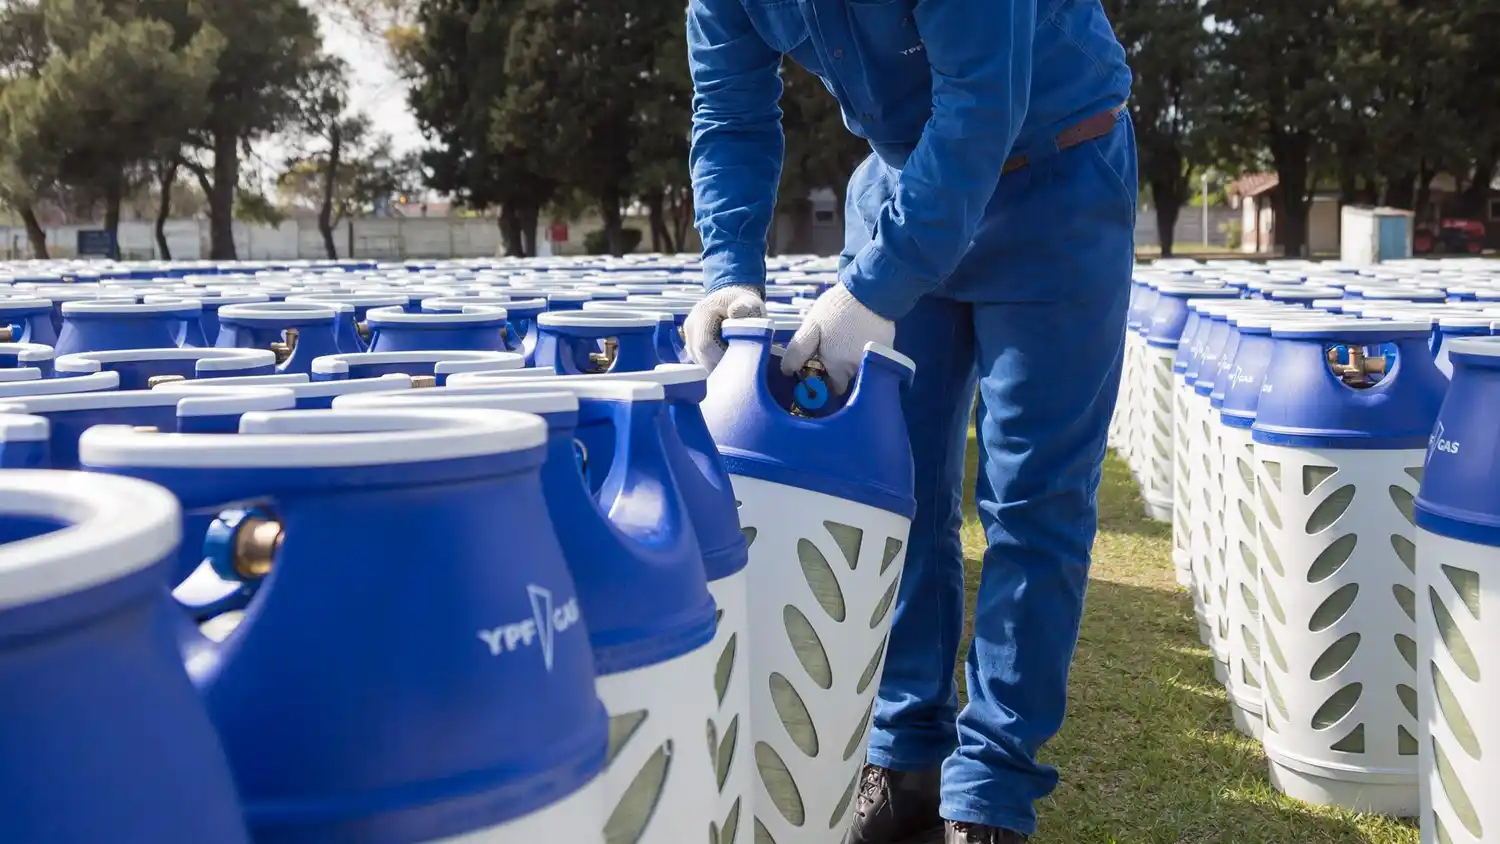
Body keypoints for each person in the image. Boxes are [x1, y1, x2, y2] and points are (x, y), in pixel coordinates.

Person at [682, 1, 1135, 842]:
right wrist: (730, 270)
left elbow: (981, 105)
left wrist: (871, 292)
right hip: (905, 179)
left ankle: (991, 793)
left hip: (1056, 173)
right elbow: (730, 111)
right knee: (899, 492)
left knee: (1033, 497)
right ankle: (904, 755)